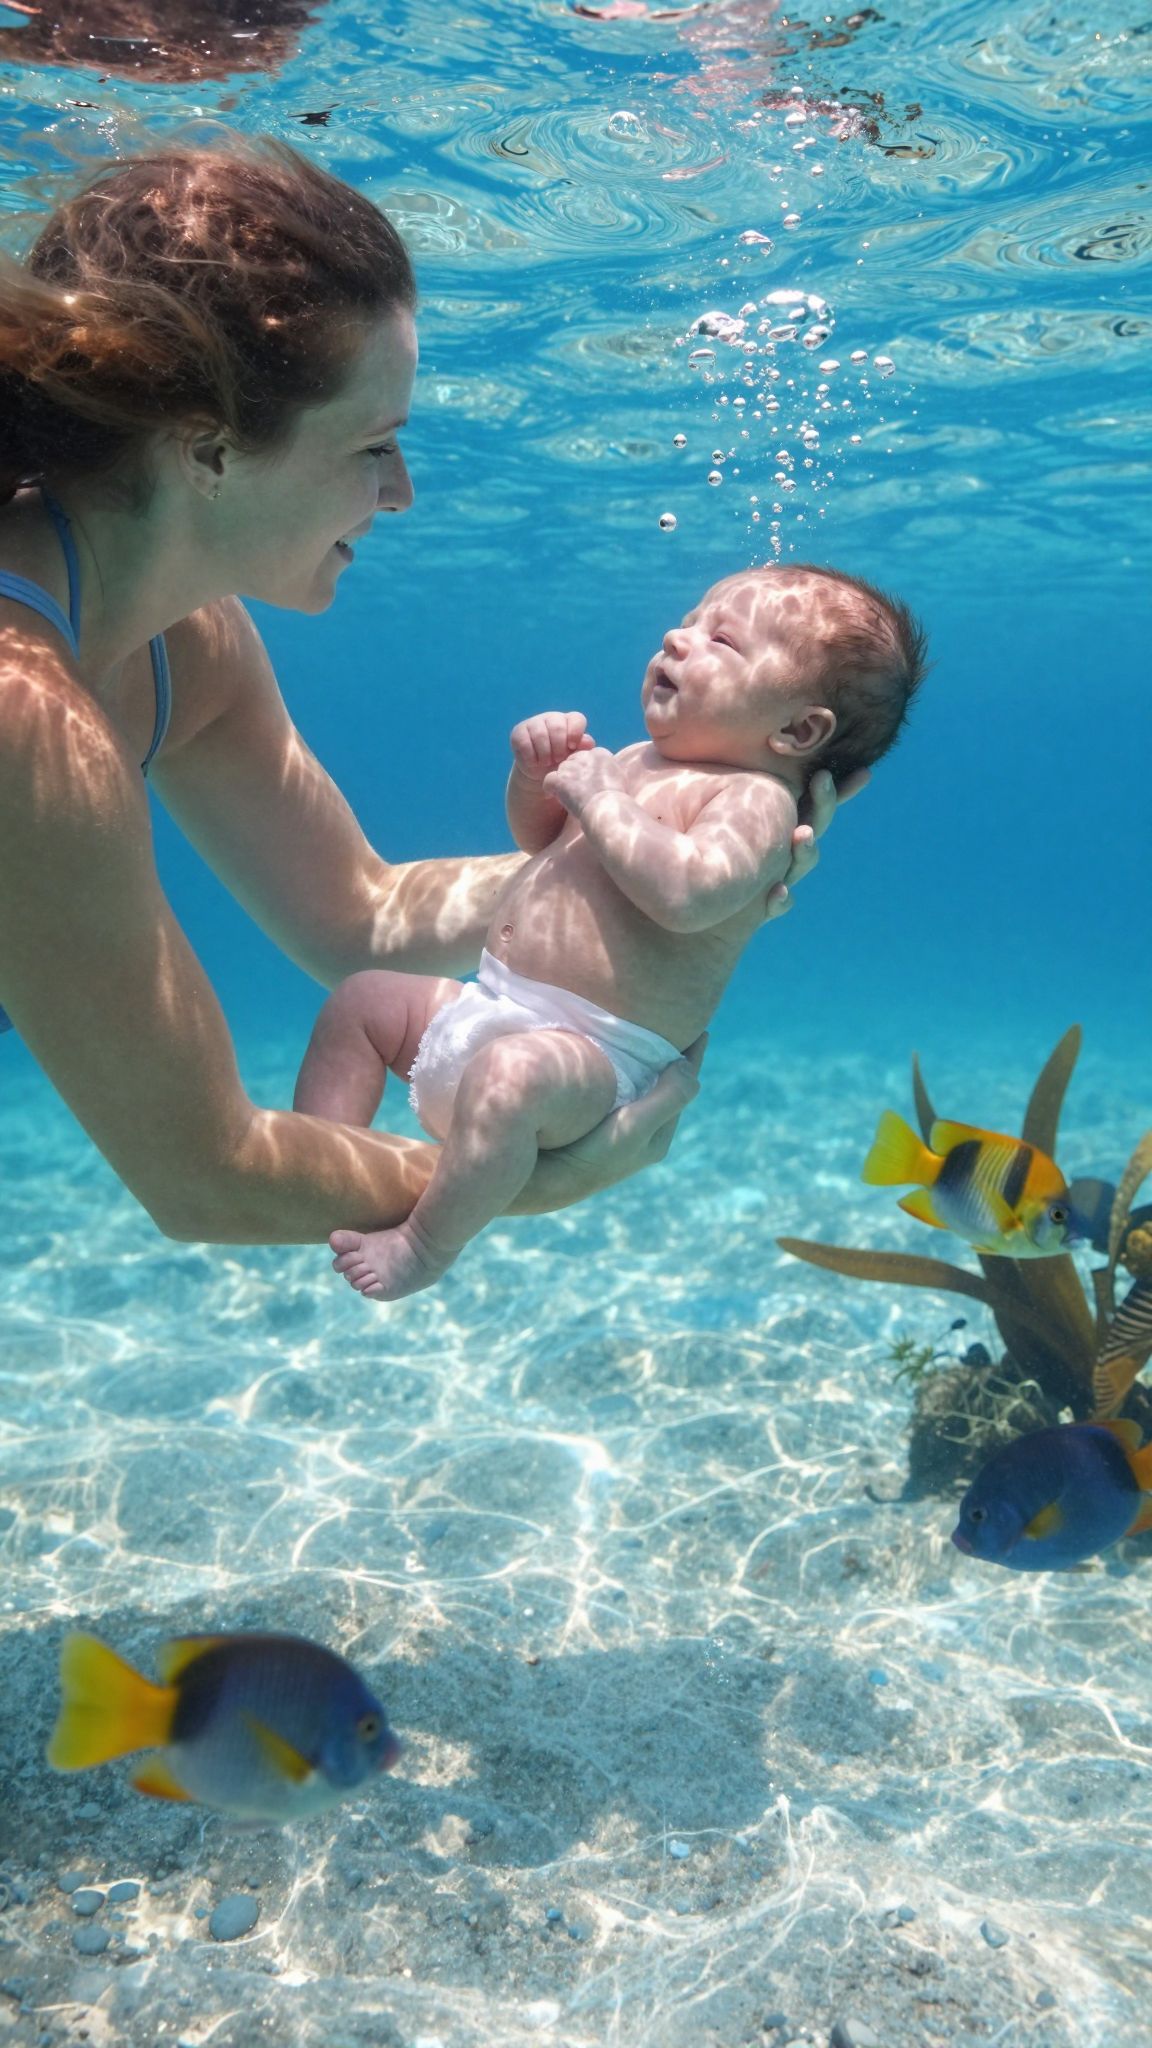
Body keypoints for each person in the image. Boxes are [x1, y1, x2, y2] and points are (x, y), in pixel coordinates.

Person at [0, 138, 845, 1249]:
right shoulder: (24, 714)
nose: (401, 493)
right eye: (374, 444)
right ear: (205, 448)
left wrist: (665, 864)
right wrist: (511, 1180)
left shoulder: (186, 644)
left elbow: (359, 912)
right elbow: (207, 1174)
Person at [296, 564, 924, 1298]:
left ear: (797, 729)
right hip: (486, 1004)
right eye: (690, 618)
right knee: (363, 1001)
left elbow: (686, 895)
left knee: (510, 1079)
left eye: (720, 638)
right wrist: (535, 779)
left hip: (590, 1057)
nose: (677, 637)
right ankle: (320, 1165)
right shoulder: (633, 760)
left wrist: (601, 799)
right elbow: (541, 841)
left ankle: (427, 1245)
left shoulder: (756, 802)